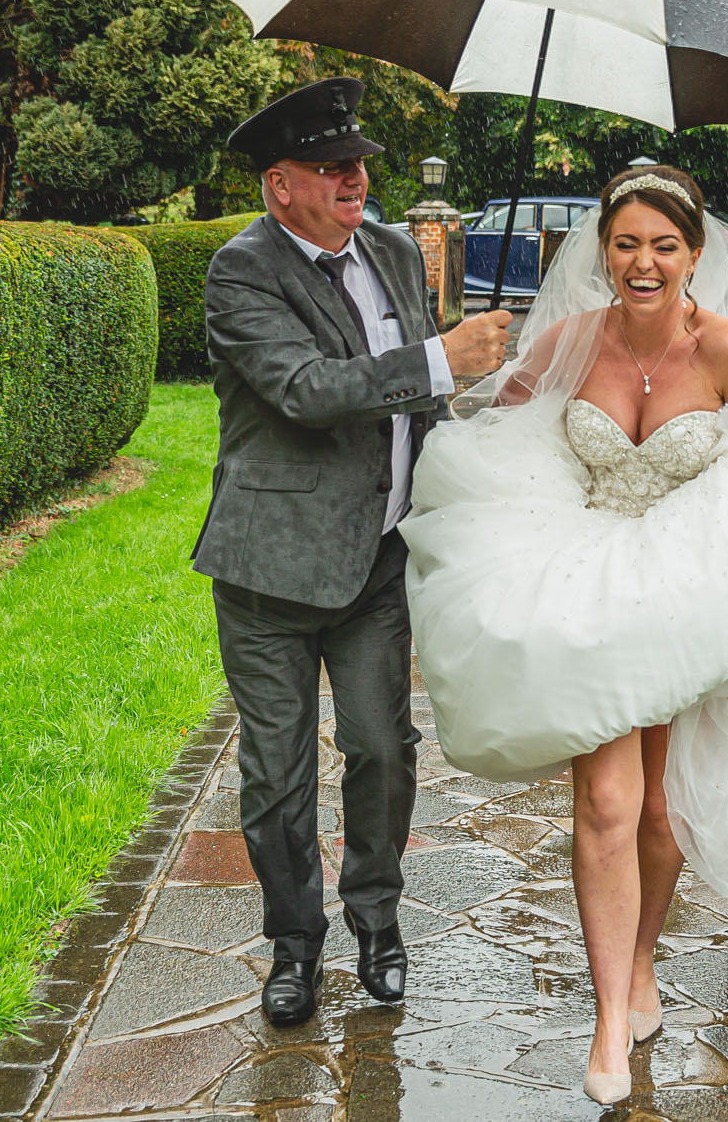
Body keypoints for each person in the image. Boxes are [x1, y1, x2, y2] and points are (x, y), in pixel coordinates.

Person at [401, 165, 728, 1105]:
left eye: (664, 244)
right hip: (591, 579)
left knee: (658, 810)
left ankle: (642, 960)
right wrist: (479, 372)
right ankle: (609, 1015)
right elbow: (498, 425)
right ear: (604, 248)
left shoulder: (725, 349)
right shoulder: (569, 338)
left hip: (684, 591)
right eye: (628, 242)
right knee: (605, 797)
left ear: (695, 254)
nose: (644, 262)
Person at [191, 77, 512, 1027]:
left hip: (377, 561)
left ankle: (378, 924)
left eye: (361, 163)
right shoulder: (238, 272)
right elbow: (306, 388)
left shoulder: (391, 252)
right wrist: (443, 359)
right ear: (278, 184)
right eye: (334, 169)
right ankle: (295, 945)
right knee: (277, 776)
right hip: (270, 571)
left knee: (382, 750)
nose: (356, 179)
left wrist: (474, 415)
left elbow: (410, 397)